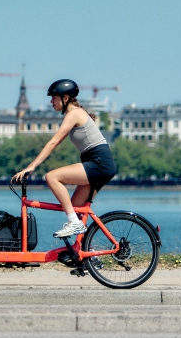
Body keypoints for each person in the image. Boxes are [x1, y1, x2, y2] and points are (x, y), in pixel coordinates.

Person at [11, 79, 118, 238]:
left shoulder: (74, 113)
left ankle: (74, 224)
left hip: (99, 163)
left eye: (54, 97)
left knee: (52, 177)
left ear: (65, 98)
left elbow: (54, 142)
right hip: (98, 163)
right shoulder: (76, 113)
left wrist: (31, 166)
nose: (51, 101)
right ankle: (85, 254)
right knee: (75, 209)